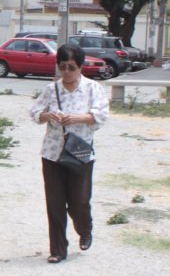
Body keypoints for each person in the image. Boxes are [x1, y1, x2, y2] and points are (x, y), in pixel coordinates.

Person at [30, 43, 110, 264]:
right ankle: (58, 249)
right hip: (52, 153)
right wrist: (47, 116)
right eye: (62, 66)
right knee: (55, 203)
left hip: (80, 152)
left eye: (71, 67)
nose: (66, 72)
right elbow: (35, 112)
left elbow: (101, 115)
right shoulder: (51, 89)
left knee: (79, 201)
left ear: (81, 67)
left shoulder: (93, 88)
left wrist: (78, 118)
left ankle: (85, 229)